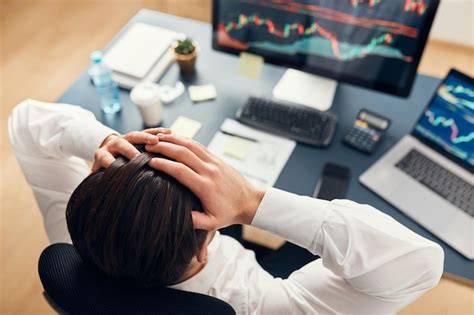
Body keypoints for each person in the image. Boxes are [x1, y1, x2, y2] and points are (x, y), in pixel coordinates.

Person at [9, 99, 444, 314]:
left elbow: (25, 121)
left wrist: (102, 140)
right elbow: (421, 264)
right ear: (204, 247)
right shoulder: (258, 304)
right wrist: (252, 203)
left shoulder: (71, 236)